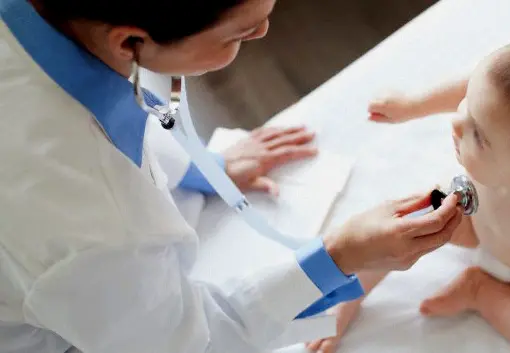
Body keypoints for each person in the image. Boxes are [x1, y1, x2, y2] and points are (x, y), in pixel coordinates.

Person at [0, 0, 466, 352]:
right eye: (240, 34)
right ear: (127, 42)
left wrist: (203, 170)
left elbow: (106, 107)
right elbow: (190, 343)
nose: (265, 30)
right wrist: (340, 258)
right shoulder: (93, 226)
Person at [307, 35, 510, 353]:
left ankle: (480, 292)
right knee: (402, 229)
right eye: (469, 106)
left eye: (479, 135)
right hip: (471, 219)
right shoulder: (502, 116)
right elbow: (474, 86)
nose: (457, 122)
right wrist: (411, 105)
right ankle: (349, 298)